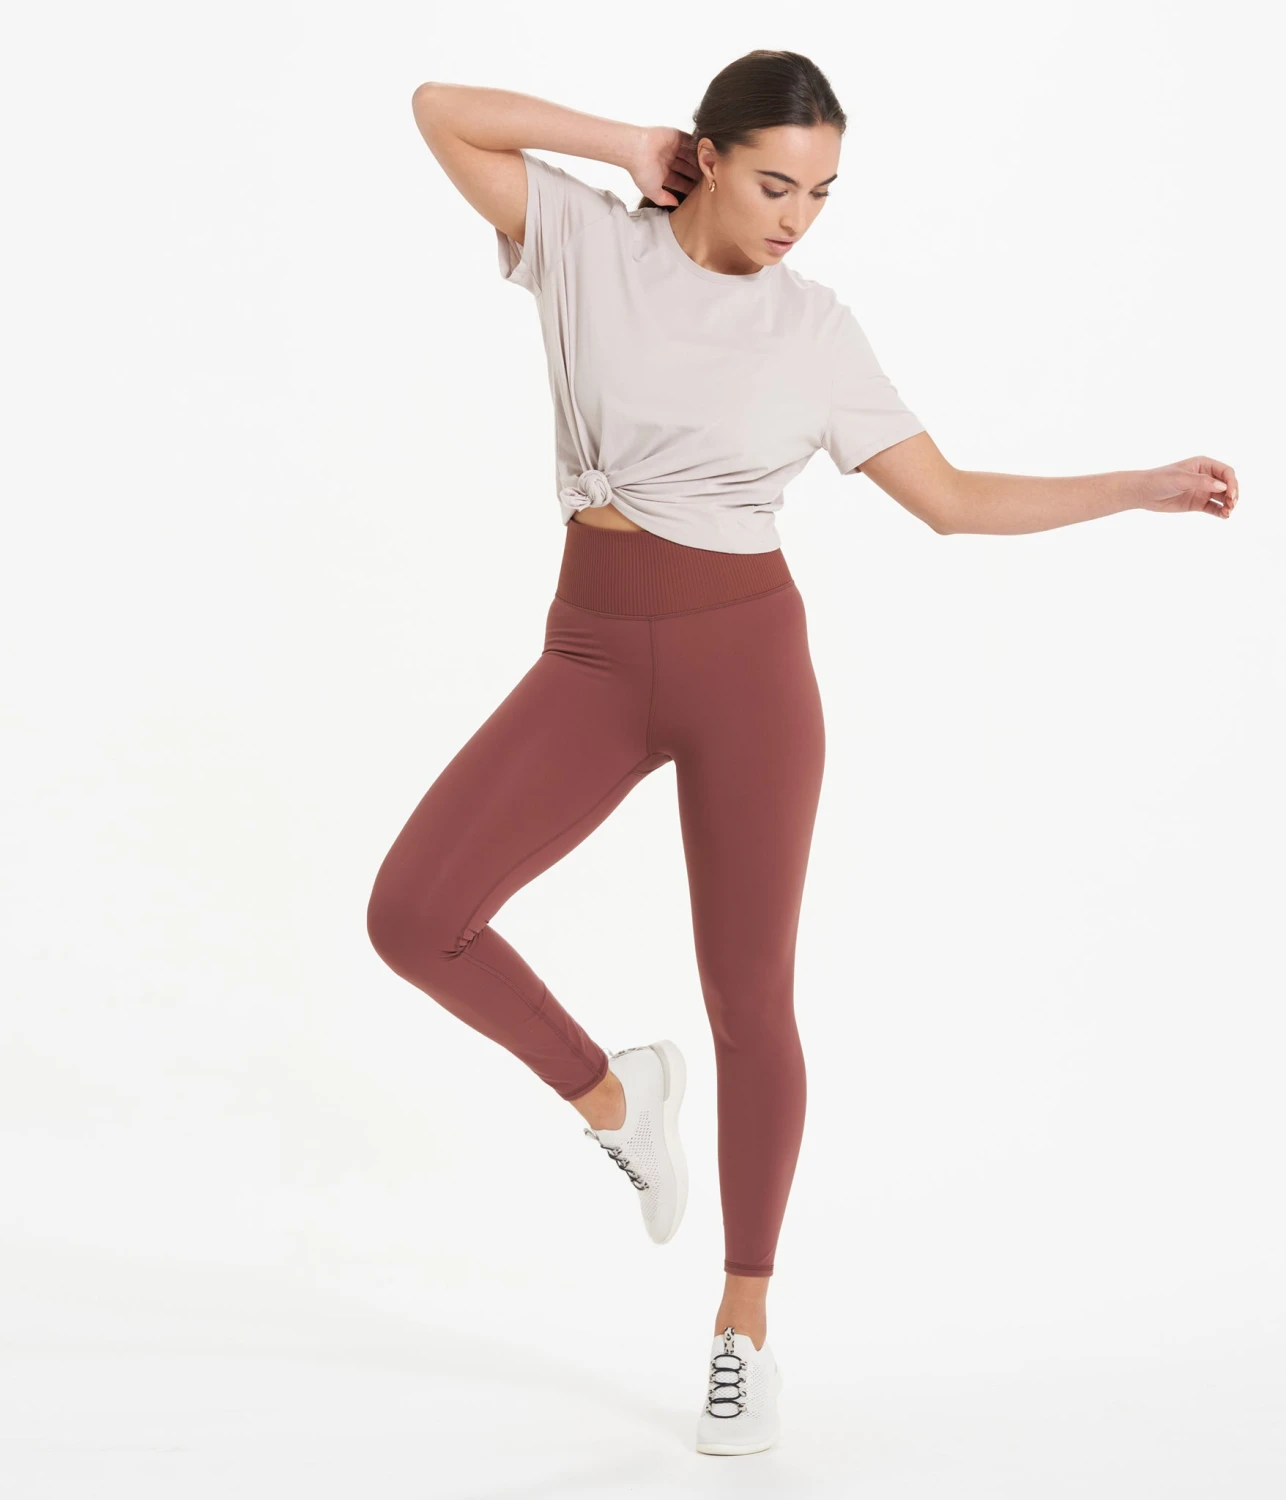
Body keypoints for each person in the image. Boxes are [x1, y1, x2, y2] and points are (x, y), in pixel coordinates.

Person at [368, 49, 1239, 1458]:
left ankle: (743, 1329)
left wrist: (1139, 488)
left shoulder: (814, 330)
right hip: (591, 659)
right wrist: (622, 141)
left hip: (747, 672)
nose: (798, 218)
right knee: (415, 916)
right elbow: (439, 112)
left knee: (750, 999)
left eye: (823, 193)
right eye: (776, 183)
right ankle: (615, 1097)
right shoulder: (587, 242)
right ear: (706, 156)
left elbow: (949, 500)